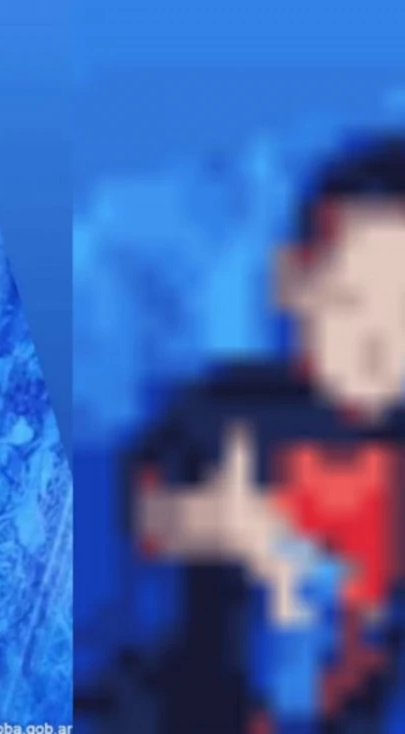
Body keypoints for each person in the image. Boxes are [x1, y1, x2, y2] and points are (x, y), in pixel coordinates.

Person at [77, 133, 405, 733]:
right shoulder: (228, 409)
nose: (378, 346)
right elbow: (140, 512)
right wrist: (215, 525)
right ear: (292, 282)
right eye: (352, 303)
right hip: (194, 704)